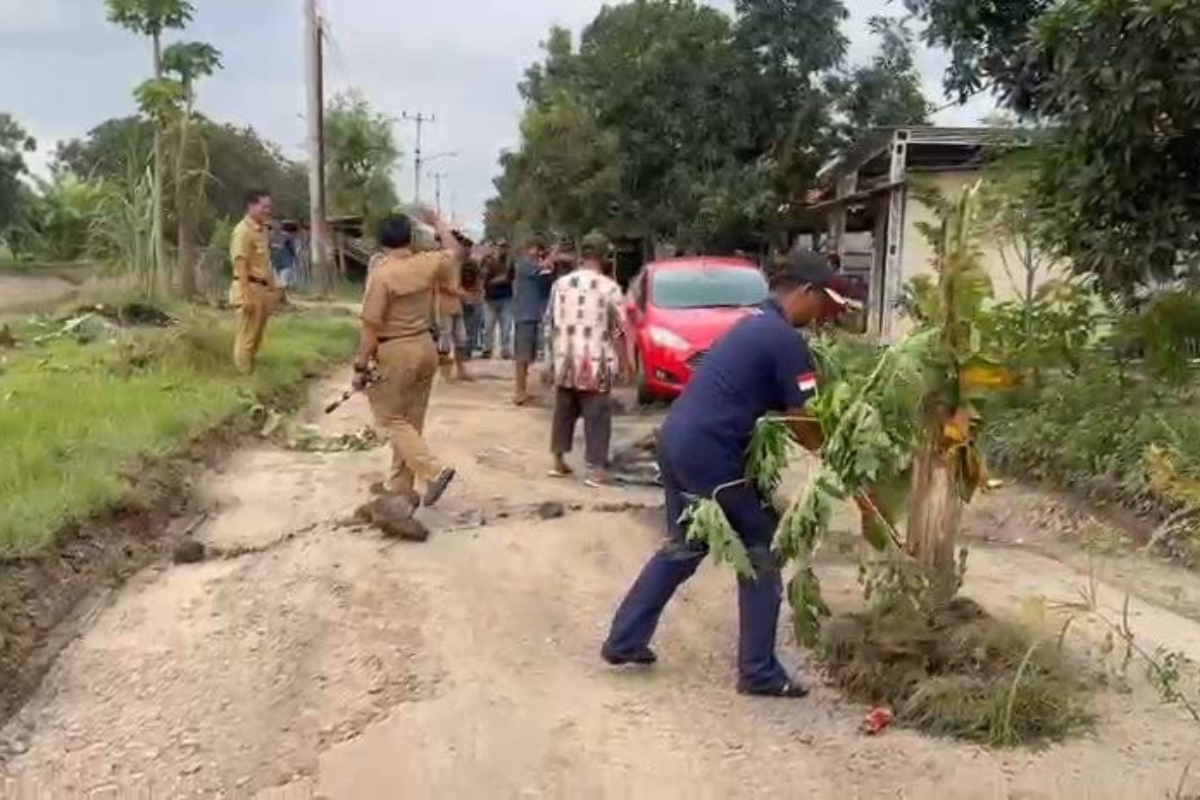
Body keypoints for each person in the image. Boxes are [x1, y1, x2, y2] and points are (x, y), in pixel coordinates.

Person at [602, 250, 869, 698]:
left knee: (686, 544)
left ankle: (625, 640)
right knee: (761, 544)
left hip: (679, 441)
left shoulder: (754, 325)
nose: (824, 318)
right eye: (823, 305)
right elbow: (803, 418)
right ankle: (758, 671)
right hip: (711, 452)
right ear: (803, 293)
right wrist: (837, 458)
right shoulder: (784, 339)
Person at [353, 209, 462, 509]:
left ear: (381, 242)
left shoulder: (382, 275)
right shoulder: (427, 263)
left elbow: (370, 328)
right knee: (410, 422)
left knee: (388, 417)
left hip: (396, 350)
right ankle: (401, 487)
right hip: (425, 346)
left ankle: (434, 471)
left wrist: (360, 367)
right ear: (411, 238)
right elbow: (454, 251)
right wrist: (438, 222)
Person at [545, 232, 630, 487]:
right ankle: (597, 470)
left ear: (582, 254)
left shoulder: (560, 285)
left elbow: (549, 323)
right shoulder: (610, 288)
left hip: (565, 358)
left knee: (564, 411)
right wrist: (625, 362)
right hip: (595, 362)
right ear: (604, 257)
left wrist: (549, 361)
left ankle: (558, 461)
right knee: (597, 415)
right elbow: (618, 329)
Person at [230, 189, 278, 374]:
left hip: (261, 289)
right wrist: (246, 295)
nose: (267, 210)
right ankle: (244, 377)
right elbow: (240, 263)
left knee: (256, 336)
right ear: (251, 206)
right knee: (246, 337)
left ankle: (249, 370)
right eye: (263, 206)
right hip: (248, 286)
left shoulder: (262, 230)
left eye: (269, 207)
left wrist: (273, 290)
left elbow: (265, 262)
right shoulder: (243, 231)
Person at [512, 235, 556, 405]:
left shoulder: (533, 266)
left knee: (528, 356)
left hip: (532, 314)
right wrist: (554, 253)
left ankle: (523, 390)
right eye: (537, 249)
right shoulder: (524, 264)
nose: (539, 252)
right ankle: (519, 392)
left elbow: (546, 271)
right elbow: (544, 266)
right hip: (524, 314)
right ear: (528, 249)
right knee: (522, 356)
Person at [434, 232, 473, 382]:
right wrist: (461, 293)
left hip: (456, 305)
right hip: (444, 305)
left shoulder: (457, 263)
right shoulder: (441, 261)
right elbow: (440, 286)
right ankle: (445, 374)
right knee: (445, 340)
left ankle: (461, 370)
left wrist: (463, 294)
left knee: (461, 339)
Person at [482, 242, 515, 360]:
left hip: (505, 298)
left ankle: (505, 351)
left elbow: (510, 278)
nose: (502, 250)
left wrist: (495, 280)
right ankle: (487, 349)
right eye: (501, 247)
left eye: (505, 247)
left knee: (506, 327)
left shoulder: (510, 262)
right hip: (490, 299)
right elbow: (483, 278)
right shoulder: (488, 261)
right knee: (488, 327)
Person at [458, 236, 486, 357]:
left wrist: (477, 297)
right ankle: (462, 350)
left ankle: (467, 350)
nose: (467, 250)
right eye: (465, 247)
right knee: (461, 326)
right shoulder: (457, 263)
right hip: (459, 297)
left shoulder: (474, 263)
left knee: (471, 325)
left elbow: (479, 281)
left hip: (472, 297)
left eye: (468, 248)